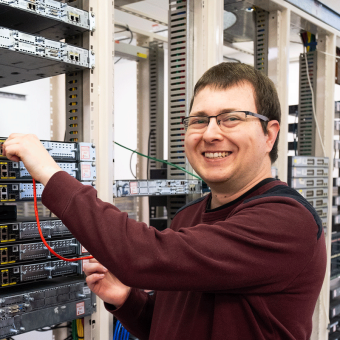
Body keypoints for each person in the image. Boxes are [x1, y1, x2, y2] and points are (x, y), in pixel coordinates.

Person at [3, 63, 326, 340]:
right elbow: (173, 324)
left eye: (230, 118)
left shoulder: (286, 221)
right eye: (199, 120)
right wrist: (128, 299)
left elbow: (141, 256)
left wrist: (49, 172)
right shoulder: (189, 216)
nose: (211, 133)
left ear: (269, 134)